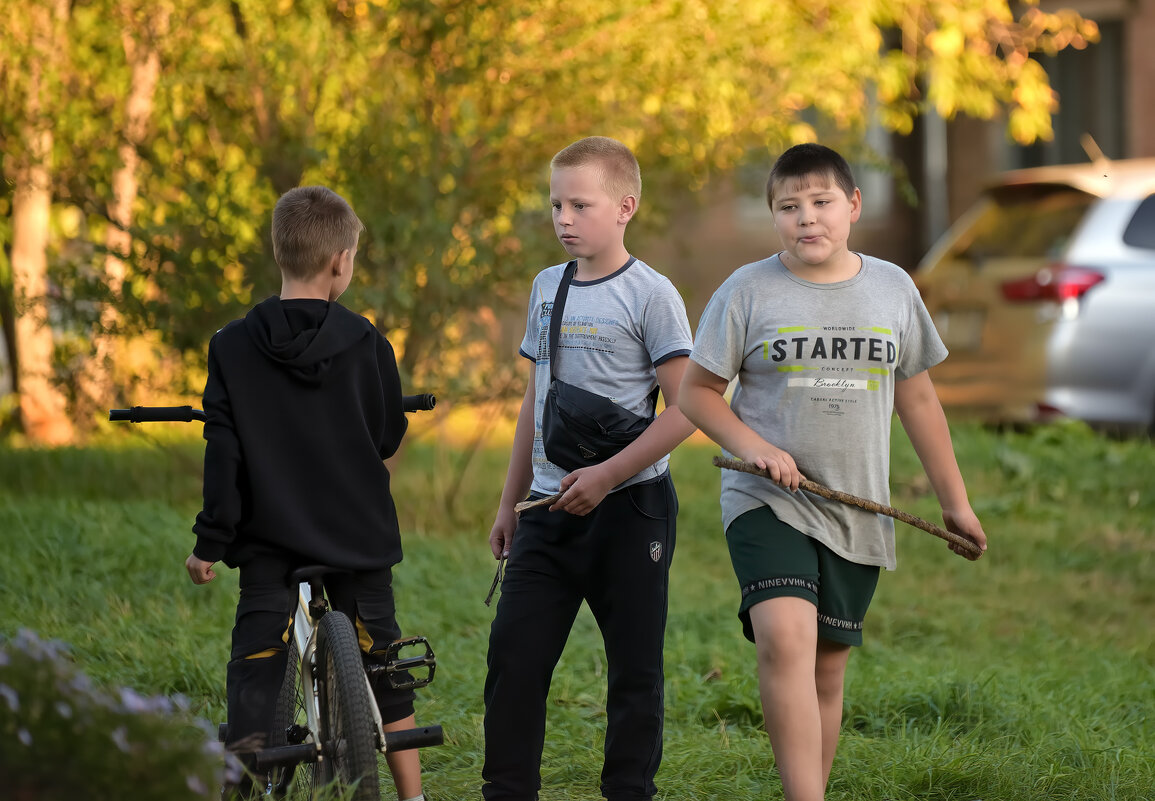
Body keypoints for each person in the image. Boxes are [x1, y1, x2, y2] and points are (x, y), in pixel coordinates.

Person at [678, 143, 987, 801]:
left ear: (852, 205)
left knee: (826, 665)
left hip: (855, 503)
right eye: (788, 207)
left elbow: (919, 398)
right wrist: (751, 445)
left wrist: (953, 501)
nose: (805, 218)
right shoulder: (746, 290)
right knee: (784, 639)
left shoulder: (891, 288)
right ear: (773, 216)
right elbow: (695, 392)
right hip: (767, 498)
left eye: (819, 203)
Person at [185, 185, 427, 801]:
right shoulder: (369, 343)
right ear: (341, 261)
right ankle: (413, 796)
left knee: (256, 667)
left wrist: (209, 543)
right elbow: (385, 433)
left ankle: (240, 786)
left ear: (279, 251)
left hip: (269, 541)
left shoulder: (231, 346)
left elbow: (225, 455)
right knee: (386, 661)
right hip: (359, 537)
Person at [482, 136, 697, 801]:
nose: (563, 218)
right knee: (512, 661)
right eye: (555, 204)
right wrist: (508, 501)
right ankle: (506, 790)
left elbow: (688, 409)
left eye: (580, 203)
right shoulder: (547, 287)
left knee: (633, 672)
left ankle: (628, 790)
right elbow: (535, 400)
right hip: (546, 513)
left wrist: (606, 474)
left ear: (625, 206)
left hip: (630, 512)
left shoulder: (651, 295)